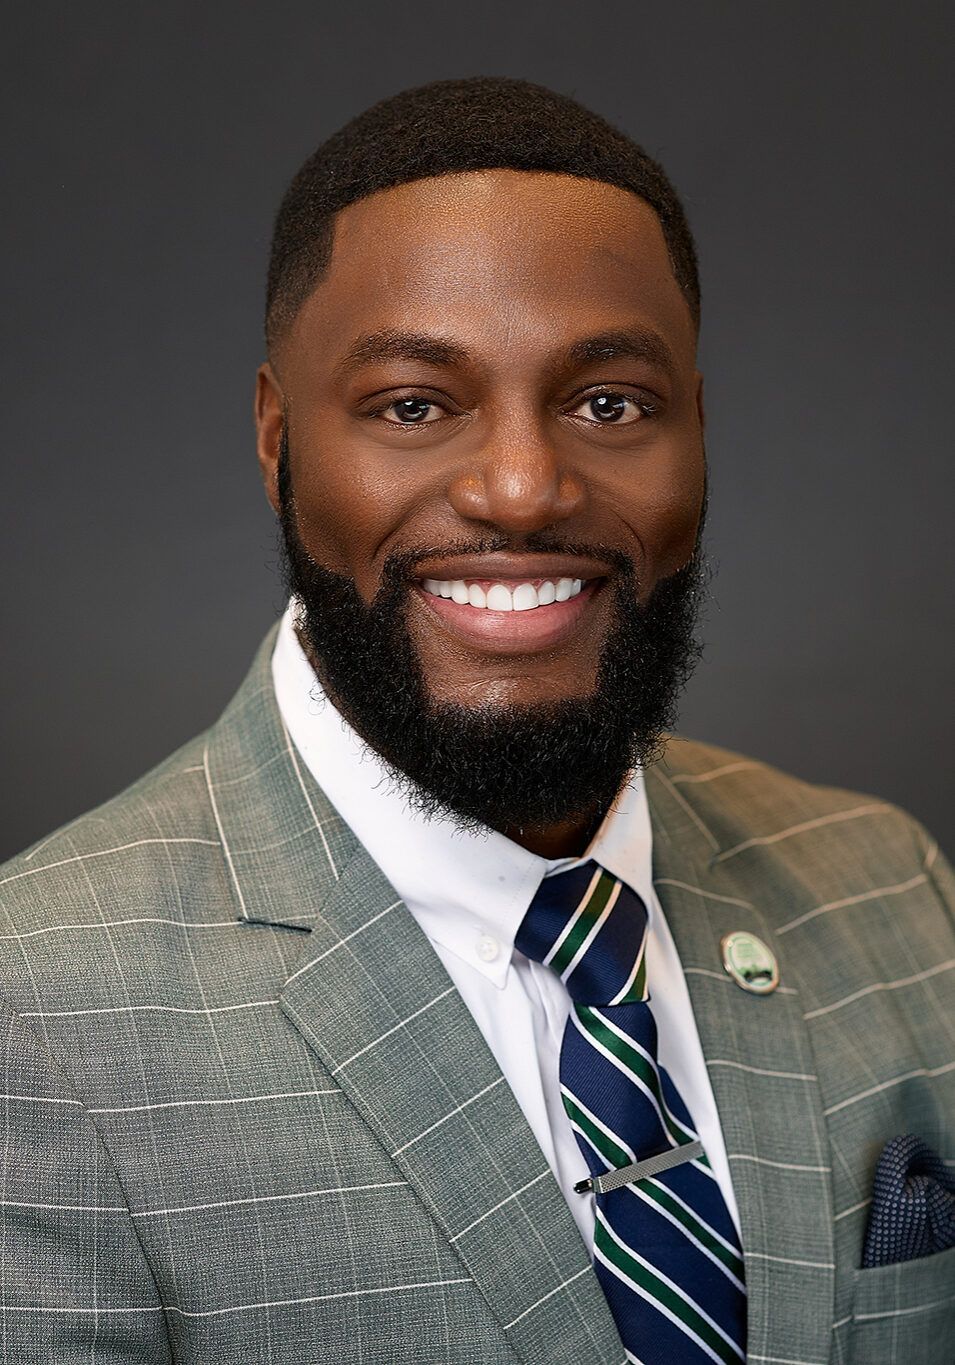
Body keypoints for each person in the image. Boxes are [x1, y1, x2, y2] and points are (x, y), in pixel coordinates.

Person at [0, 76, 951, 1365]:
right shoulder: (39, 1019)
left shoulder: (893, 888)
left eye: (609, 403)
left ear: (699, 431)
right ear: (278, 440)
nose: (521, 489)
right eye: (413, 404)